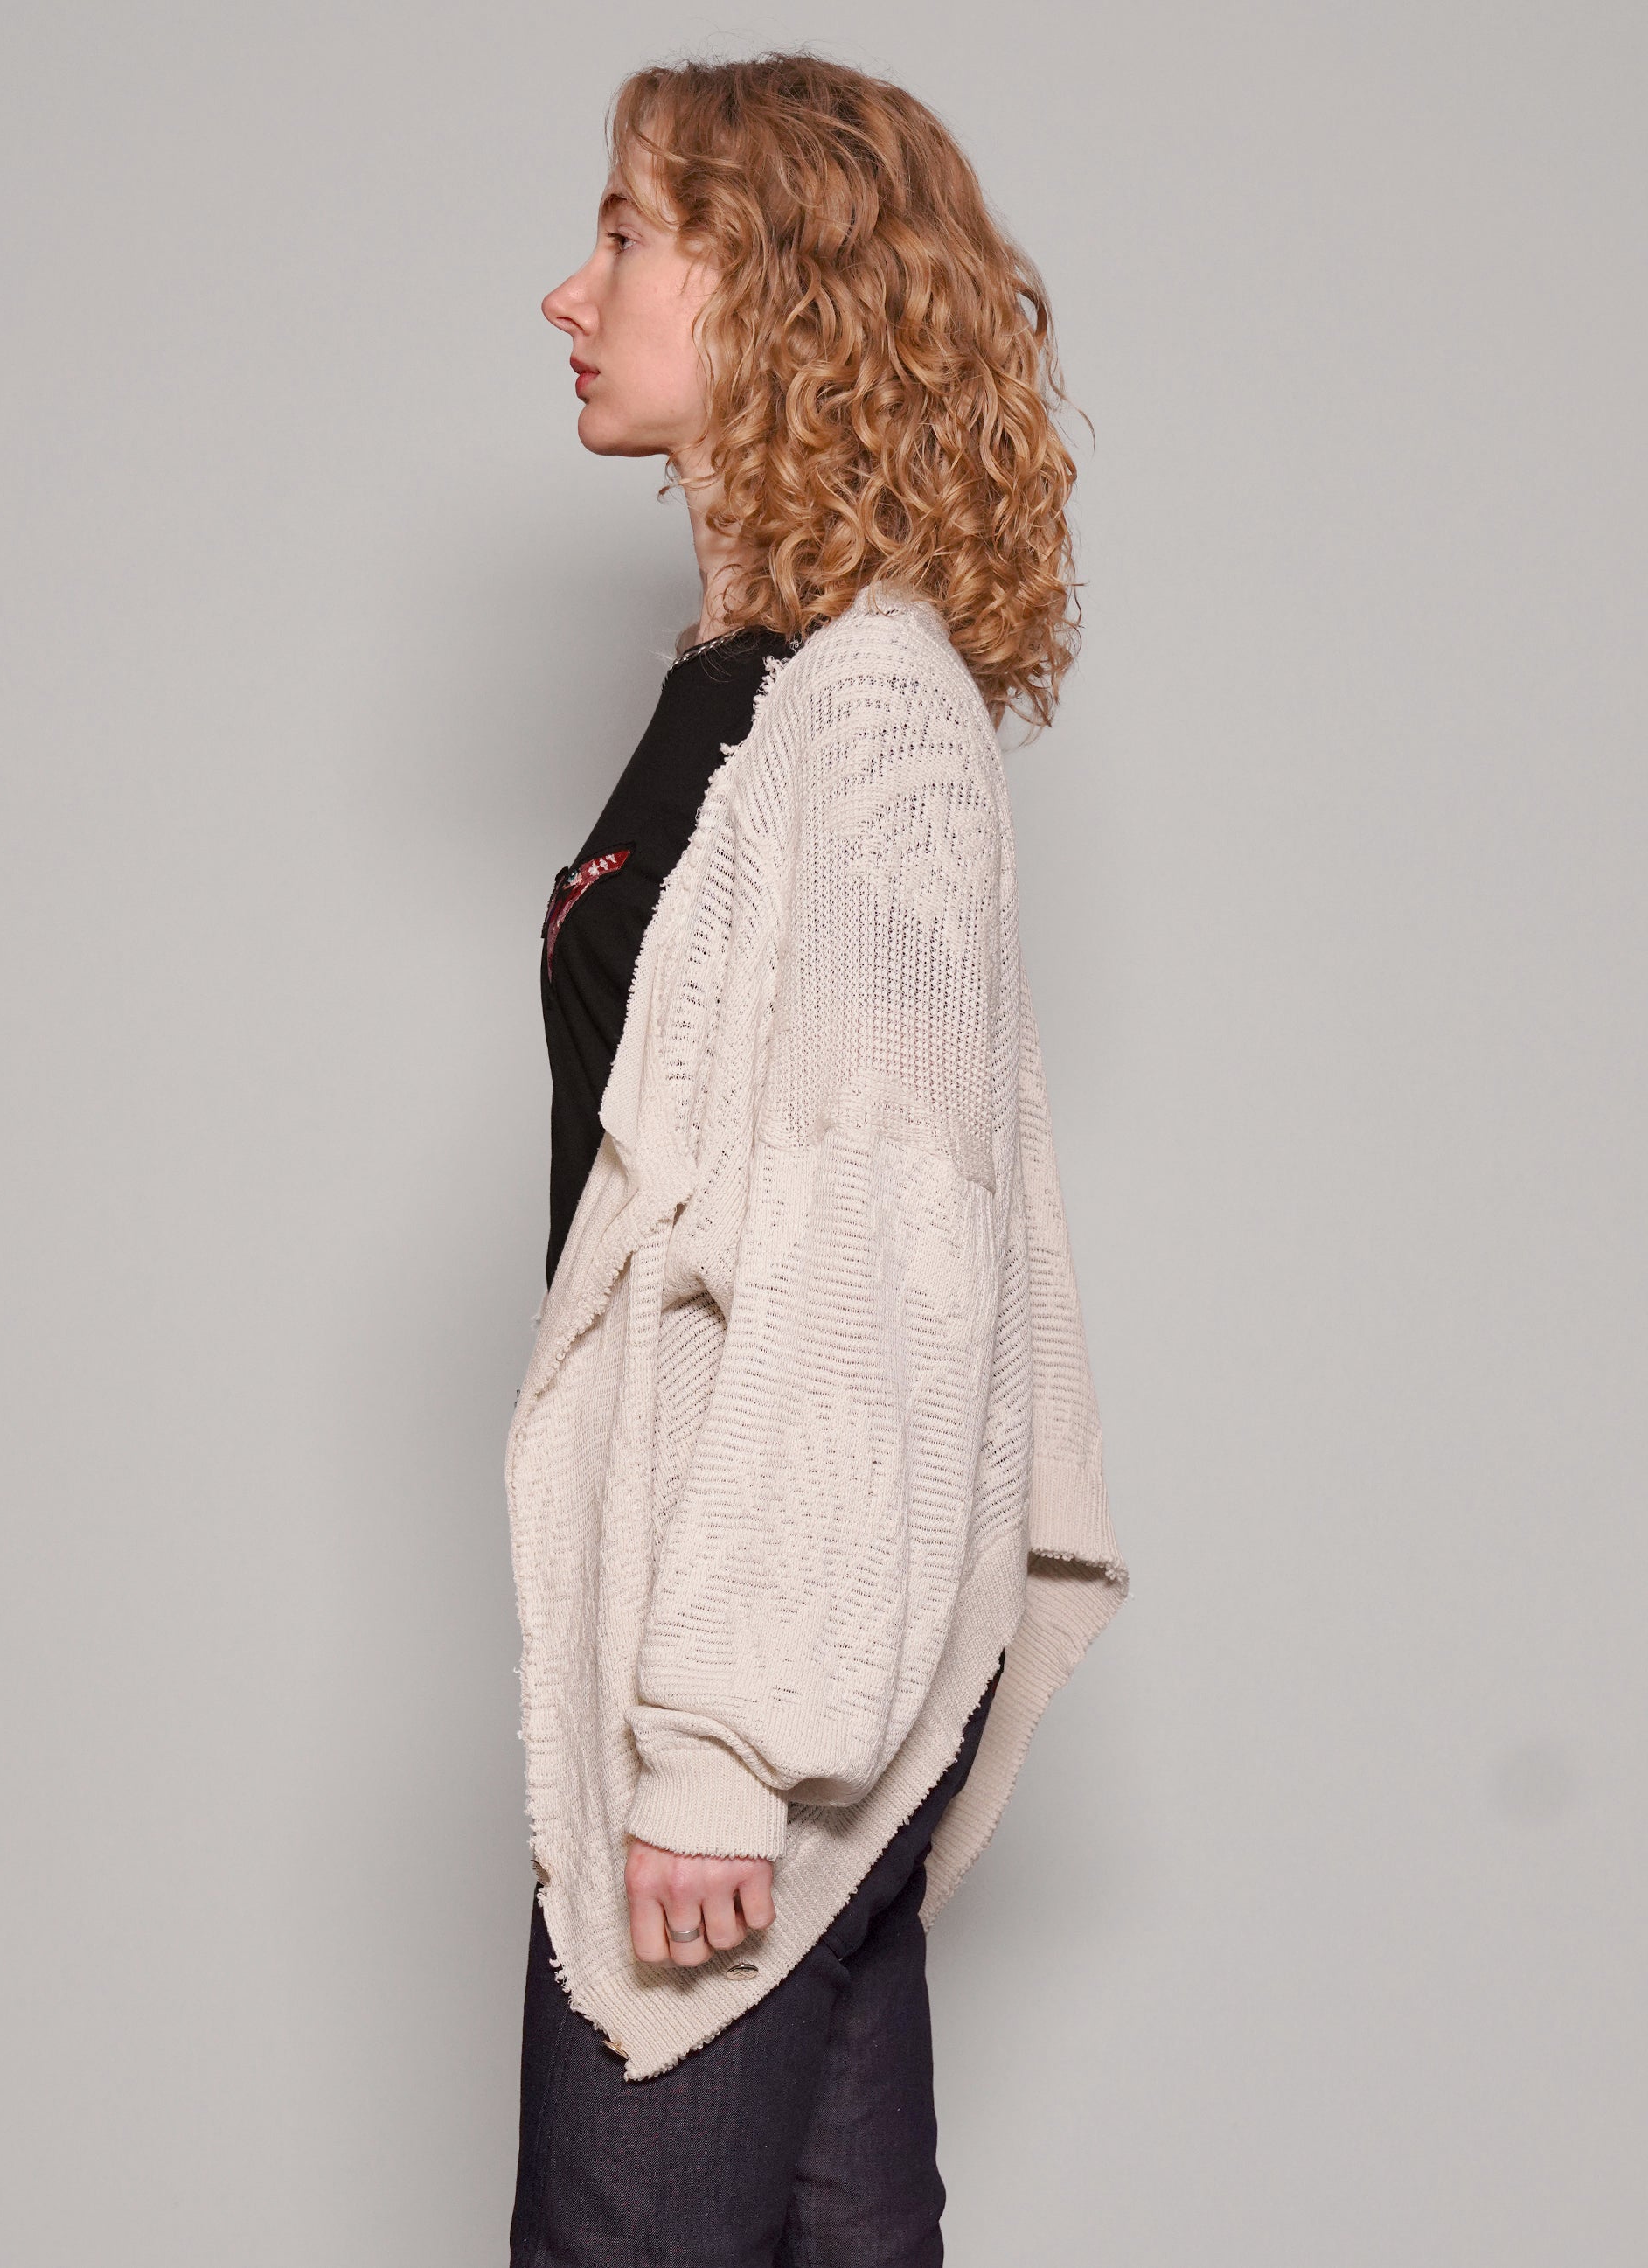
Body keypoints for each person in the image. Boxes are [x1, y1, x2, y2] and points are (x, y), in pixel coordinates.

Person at [507, 52, 1129, 2265]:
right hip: (738, 1647)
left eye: (624, 237)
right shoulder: (745, 689)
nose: (565, 292)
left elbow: (880, 1252)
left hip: (750, 1678)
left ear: (773, 285)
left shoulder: (863, 720)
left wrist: (724, 1744)